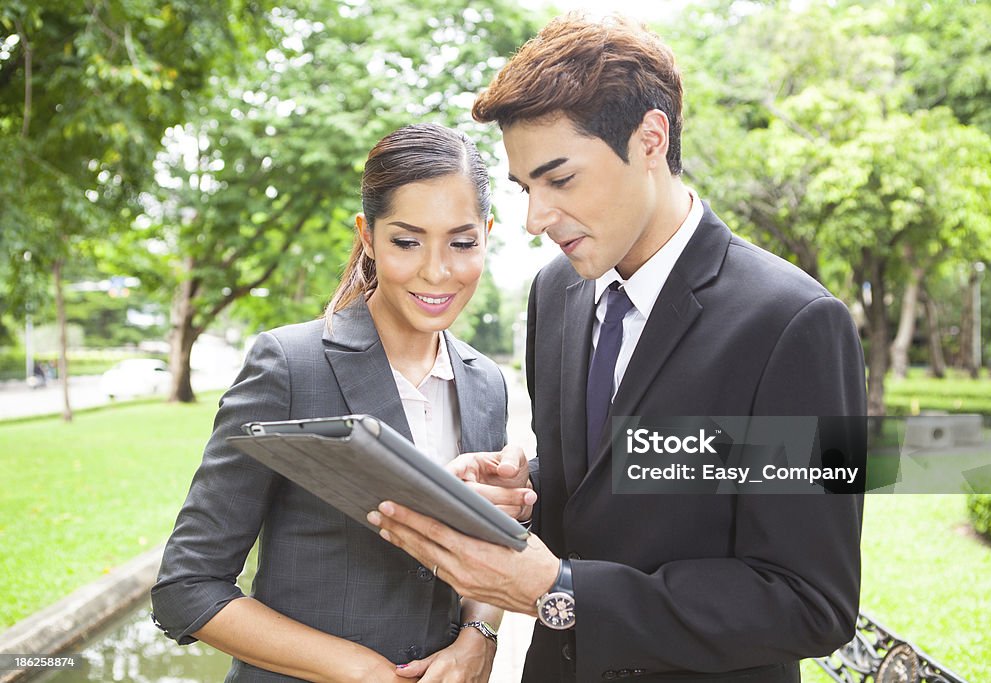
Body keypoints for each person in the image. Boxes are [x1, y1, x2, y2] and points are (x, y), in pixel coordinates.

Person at [369, 14, 867, 683]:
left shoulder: (798, 323)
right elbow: (608, 487)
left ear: (650, 140)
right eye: (525, 188)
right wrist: (526, 491)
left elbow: (813, 602)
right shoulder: (556, 294)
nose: (534, 218)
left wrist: (563, 590)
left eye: (560, 179)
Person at [151, 123, 509, 683]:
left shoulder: (485, 383)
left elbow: (485, 548)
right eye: (407, 241)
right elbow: (187, 588)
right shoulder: (290, 366)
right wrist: (361, 670)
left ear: (487, 233)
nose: (437, 271)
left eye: (462, 243)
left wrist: (478, 636)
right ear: (367, 235)